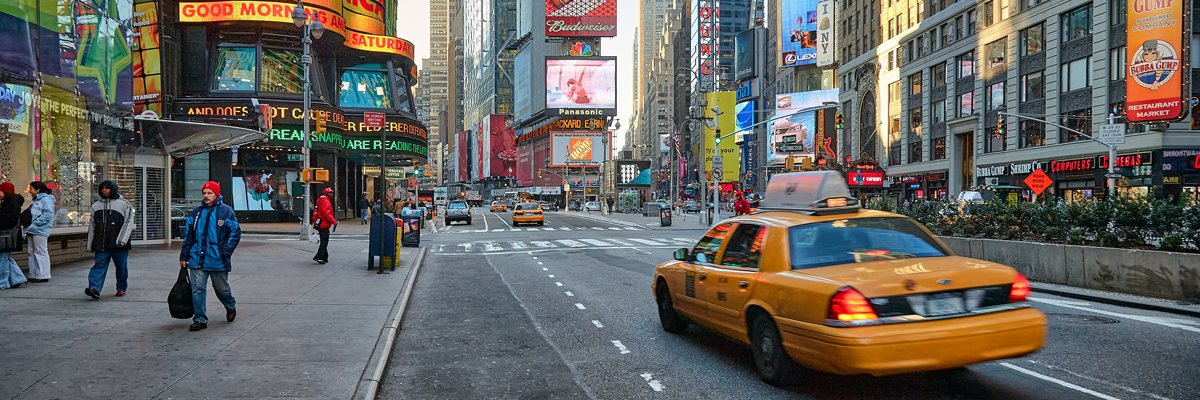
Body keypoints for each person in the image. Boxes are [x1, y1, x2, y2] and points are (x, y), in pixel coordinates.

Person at [179, 181, 241, 331]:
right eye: (204, 193)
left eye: (209, 193)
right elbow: (189, 236)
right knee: (197, 288)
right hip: (196, 257)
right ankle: (200, 319)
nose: (206, 196)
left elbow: (235, 233)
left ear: (216, 194)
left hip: (217, 258)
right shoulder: (196, 213)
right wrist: (184, 256)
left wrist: (223, 252)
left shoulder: (226, 212)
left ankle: (230, 305)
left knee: (221, 288)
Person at [84, 180, 136, 299]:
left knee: (121, 267)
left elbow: (128, 223)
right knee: (99, 265)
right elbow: (92, 226)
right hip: (101, 242)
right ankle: (94, 288)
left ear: (112, 189)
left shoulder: (124, 204)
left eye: (107, 188)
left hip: (118, 243)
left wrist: (122, 240)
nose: (104, 190)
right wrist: (91, 243)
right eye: (102, 188)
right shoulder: (96, 206)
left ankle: (121, 287)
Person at [23, 181, 55, 282]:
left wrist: (36, 224)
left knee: (40, 251)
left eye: (31, 189)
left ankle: (43, 275)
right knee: (32, 252)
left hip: (39, 229)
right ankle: (34, 274)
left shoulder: (45, 200)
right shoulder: (37, 200)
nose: (30, 191)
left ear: (38, 190)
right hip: (33, 229)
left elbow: (48, 215)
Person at [0, 182, 27, 289]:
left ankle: (3, 282)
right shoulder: (10, 203)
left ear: (5, 192)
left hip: (6, 235)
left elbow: (7, 220)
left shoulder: (11, 204)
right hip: (9, 235)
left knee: (3, 259)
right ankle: (17, 278)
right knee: (6, 257)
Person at [313, 187, 336, 265]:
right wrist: (334, 221)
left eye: (332, 192)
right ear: (326, 194)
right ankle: (319, 256)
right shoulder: (325, 201)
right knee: (324, 241)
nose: (332, 194)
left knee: (324, 240)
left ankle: (324, 257)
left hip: (319, 223)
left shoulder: (320, 199)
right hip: (324, 224)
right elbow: (326, 213)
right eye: (330, 193)